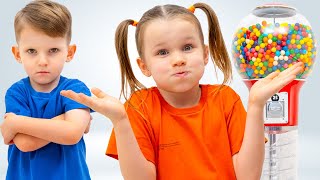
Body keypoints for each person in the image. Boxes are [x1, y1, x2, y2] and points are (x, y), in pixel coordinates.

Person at [61, 2, 303, 180]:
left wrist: (256, 106)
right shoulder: (139, 107)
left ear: (205, 53)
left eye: (187, 47)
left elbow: (248, 176)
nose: (178, 59)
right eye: (163, 52)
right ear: (144, 66)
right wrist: (121, 121)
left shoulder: (225, 99)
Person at [0, 1, 92, 179]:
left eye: (53, 50)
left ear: (69, 52)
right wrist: (65, 121)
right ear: (18, 54)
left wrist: (16, 123)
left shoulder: (75, 89)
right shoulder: (16, 93)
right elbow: (25, 143)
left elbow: (72, 134)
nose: (42, 61)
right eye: (32, 51)